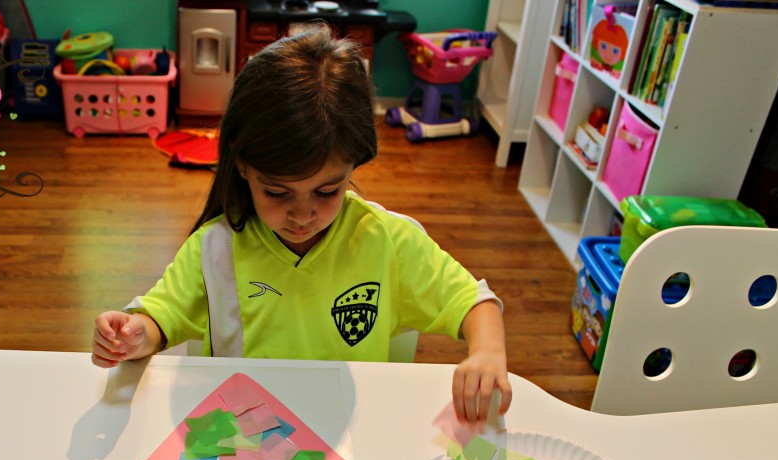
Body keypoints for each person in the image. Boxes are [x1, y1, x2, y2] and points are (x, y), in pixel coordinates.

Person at [92, 26, 512, 426]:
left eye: (327, 191)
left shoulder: (387, 240)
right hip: (247, 433)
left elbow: (476, 302)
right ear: (241, 166)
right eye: (277, 193)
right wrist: (131, 335)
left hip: (350, 430)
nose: (302, 215)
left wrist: (488, 353)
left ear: (352, 168)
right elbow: (161, 318)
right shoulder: (216, 249)